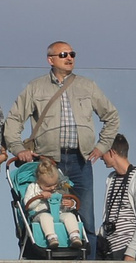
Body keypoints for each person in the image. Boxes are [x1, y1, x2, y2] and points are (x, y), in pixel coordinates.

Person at [7, 42, 120, 243]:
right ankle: (47, 255)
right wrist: (17, 148)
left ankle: (88, 261)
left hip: (81, 161)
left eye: (72, 54)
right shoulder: (35, 87)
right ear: (50, 60)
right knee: (45, 212)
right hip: (48, 163)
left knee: (85, 218)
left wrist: (102, 146)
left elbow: (111, 116)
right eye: (63, 54)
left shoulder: (87, 85)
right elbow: (14, 119)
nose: (69, 58)